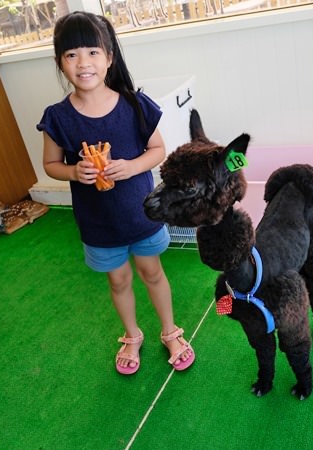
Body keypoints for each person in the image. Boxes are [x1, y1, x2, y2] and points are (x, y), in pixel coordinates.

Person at [36, 11, 195, 375]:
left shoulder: (135, 104)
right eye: (71, 54)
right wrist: (74, 170)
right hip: (99, 224)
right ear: (60, 63)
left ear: (109, 57)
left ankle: (170, 330)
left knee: (152, 273)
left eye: (92, 52)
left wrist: (132, 166)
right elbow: (51, 165)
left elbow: (158, 150)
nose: (83, 63)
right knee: (119, 279)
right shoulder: (57, 117)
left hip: (142, 215)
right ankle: (132, 333)